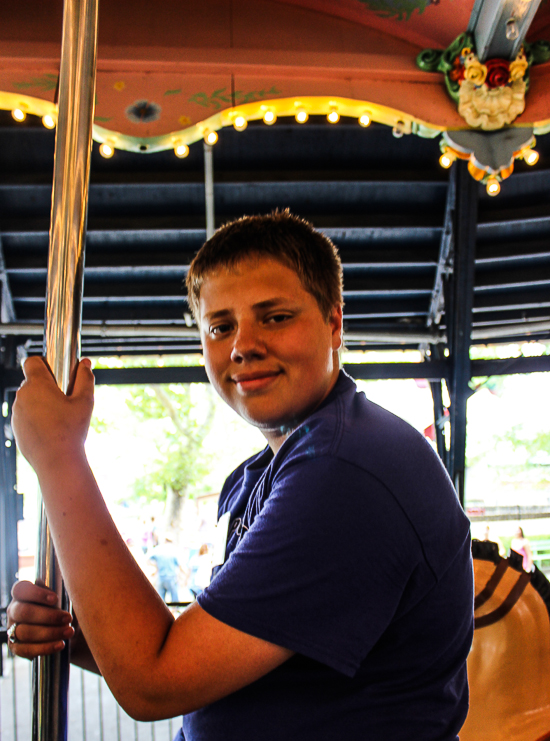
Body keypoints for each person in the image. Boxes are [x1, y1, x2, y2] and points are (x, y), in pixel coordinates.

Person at [6, 211, 473, 740]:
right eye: (220, 326)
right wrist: (77, 635)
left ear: (334, 323)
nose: (242, 346)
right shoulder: (274, 471)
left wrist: (60, 457)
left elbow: (154, 681)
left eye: (274, 317)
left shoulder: (349, 471)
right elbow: (222, 658)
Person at [148, 533, 180, 603]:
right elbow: (180, 565)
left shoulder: (158, 549)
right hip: (171, 577)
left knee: (161, 601)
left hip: (161, 577)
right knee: (174, 600)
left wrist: (156, 567)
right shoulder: (174, 550)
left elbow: (148, 559)